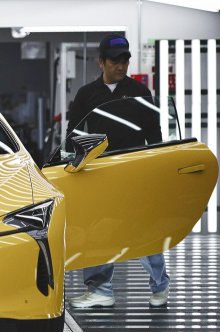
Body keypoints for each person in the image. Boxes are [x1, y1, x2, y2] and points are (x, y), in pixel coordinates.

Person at [66, 34, 170, 308]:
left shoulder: (140, 91)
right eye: (115, 61)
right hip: (99, 172)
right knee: (98, 230)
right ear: (101, 62)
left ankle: (160, 286)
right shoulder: (86, 94)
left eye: (124, 60)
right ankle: (100, 290)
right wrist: (71, 163)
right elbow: (73, 132)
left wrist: (157, 165)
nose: (121, 66)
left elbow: (154, 132)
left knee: (143, 230)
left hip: (134, 172)